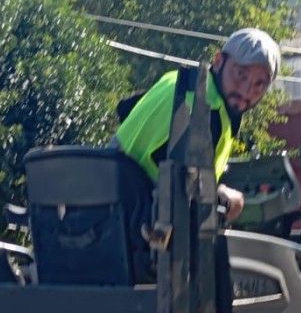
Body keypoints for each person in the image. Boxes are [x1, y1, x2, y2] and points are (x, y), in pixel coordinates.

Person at [112, 28, 279, 224]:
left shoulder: (176, 81)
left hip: (107, 219)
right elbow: (188, 197)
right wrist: (225, 198)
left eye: (259, 84)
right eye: (240, 74)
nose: (246, 90)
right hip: (139, 231)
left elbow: (124, 109)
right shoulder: (206, 112)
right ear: (218, 62)